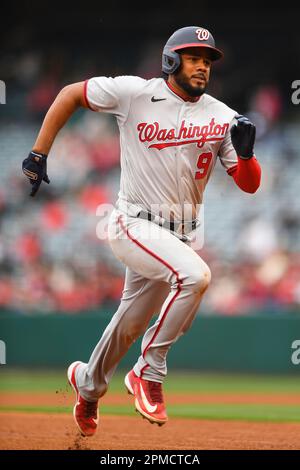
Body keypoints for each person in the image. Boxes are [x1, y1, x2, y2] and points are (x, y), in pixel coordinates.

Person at [22, 26, 261, 436]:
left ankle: (87, 383)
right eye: (193, 57)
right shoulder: (134, 93)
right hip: (133, 222)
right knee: (196, 276)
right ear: (171, 60)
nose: (202, 65)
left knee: (129, 323)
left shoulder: (223, 116)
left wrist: (247, 153)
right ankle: (148, 372)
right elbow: (70, 94)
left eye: (207, 60)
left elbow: (249, 183)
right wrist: (39, 151)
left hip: (179, 235)